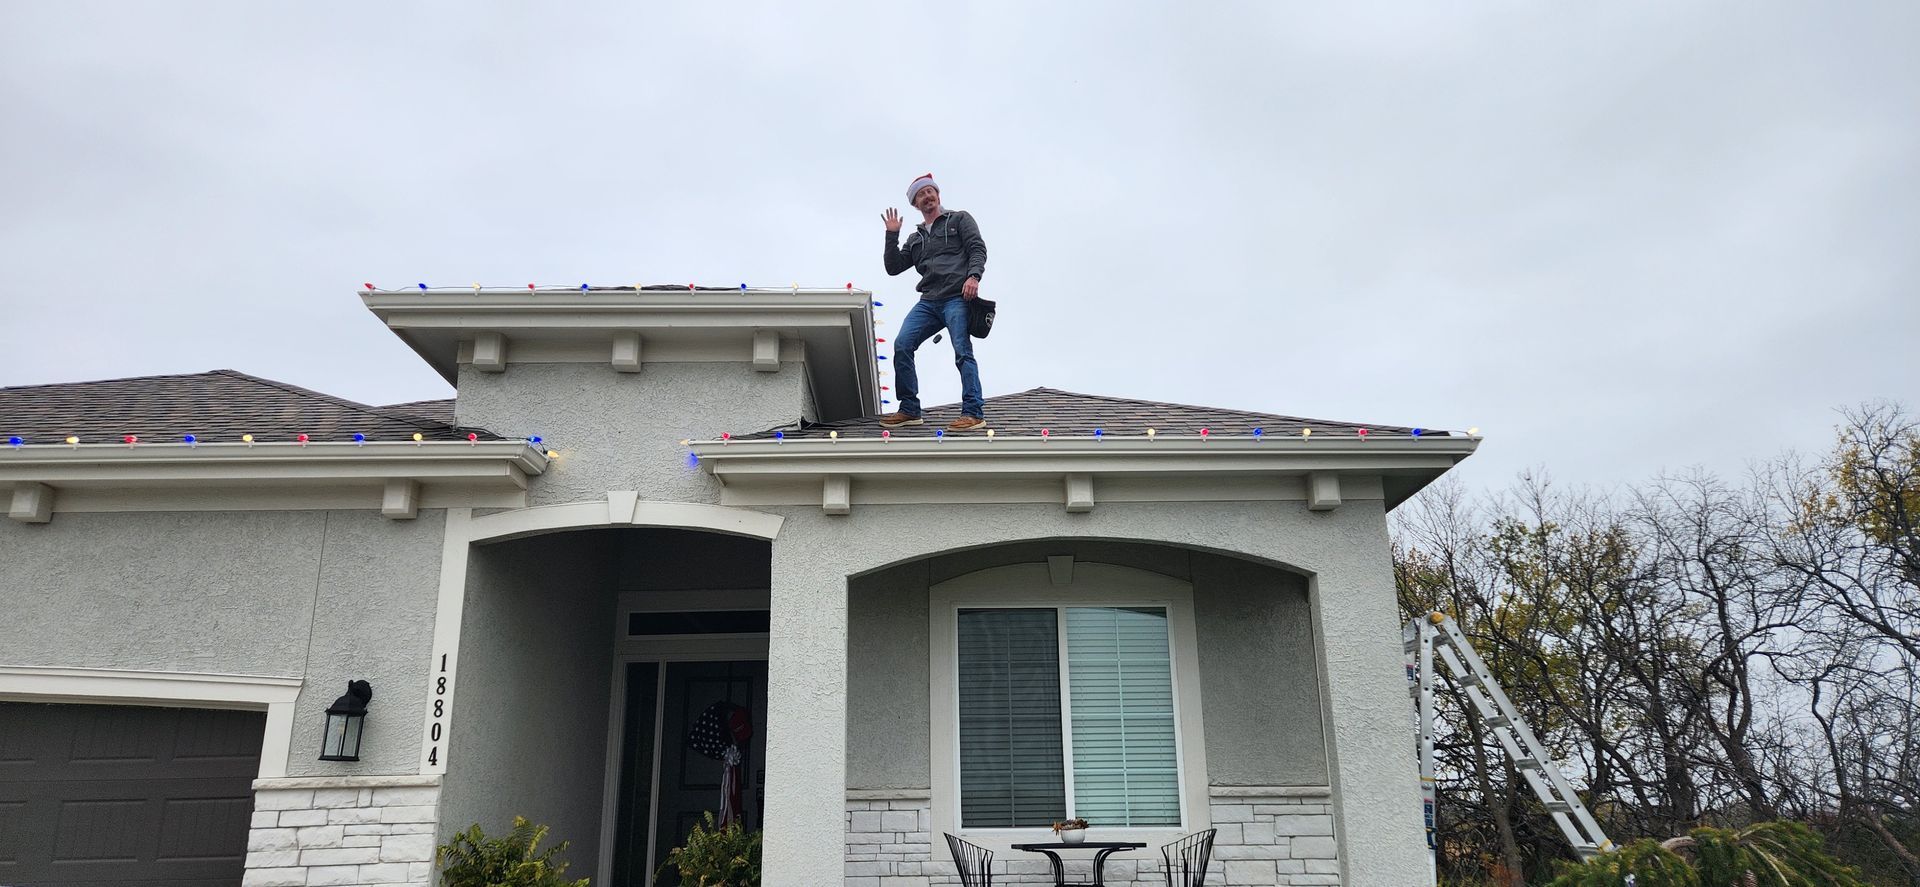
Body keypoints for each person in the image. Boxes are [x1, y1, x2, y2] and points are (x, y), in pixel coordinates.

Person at [880, 173, 989, 432]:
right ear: (915, 204)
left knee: (963, 351)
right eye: (921, 194)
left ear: (938, 195)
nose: (927, 196)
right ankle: (909, 409)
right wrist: (891, 235)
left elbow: (977, 248)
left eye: (931, 191)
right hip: (929, 301)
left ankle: (973, 413)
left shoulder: (959, 219)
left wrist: (974, 276)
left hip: (957, 298)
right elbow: (893, 268)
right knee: (902, 344)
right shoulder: (915, 239)